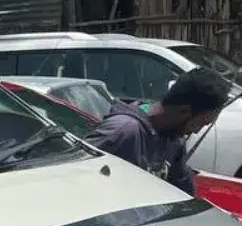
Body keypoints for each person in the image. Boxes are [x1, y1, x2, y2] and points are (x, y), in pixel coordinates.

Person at [83, 67, 231, 194]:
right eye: (201, 124)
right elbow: (76, 179)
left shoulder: (173, 139)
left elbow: (183, 190)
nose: (197, 132)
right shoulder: (123, 132)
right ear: (184, 111)